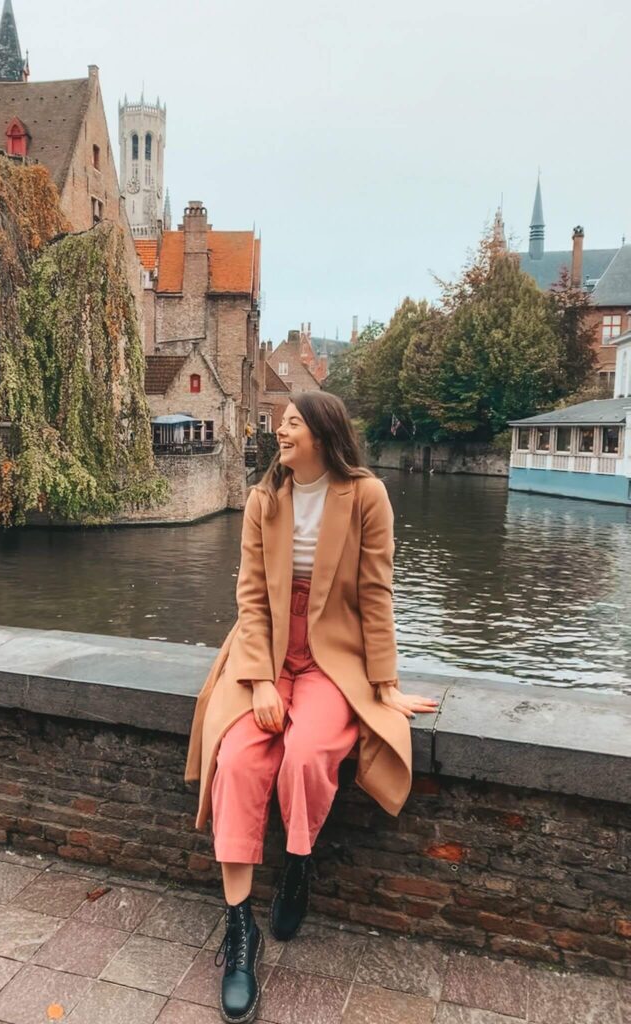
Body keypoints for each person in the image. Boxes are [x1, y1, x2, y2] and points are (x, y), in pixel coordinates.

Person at [184, 391, 439, 1024]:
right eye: (280, 426)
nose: (280, 434)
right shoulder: (263, 500)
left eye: (291, 424)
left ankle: (297, 866)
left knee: (307, 754)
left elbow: (376, 595)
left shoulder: (367, 496)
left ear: (323, 434)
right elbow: (250, 597)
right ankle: (240, 932)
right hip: (266, 648)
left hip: (333, 653)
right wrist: (260, 679)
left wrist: (383, 686)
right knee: (239, 760)